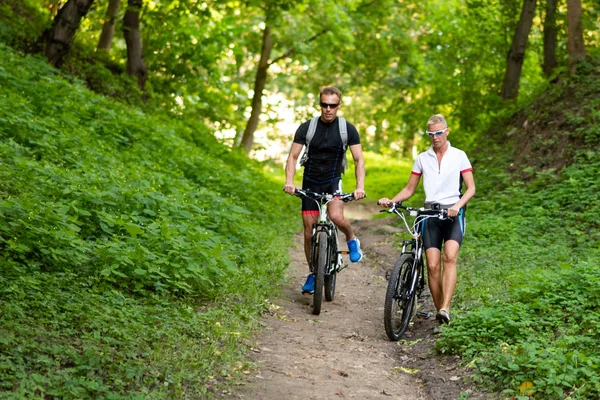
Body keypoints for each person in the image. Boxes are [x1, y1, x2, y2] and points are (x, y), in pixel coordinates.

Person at [378, 114, 475, 324]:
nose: (435, 137)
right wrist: (392, 201)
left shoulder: (459, 156)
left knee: (449, 257)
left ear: (447, 131)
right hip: (430, 214)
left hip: (452, 214)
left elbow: (471, 188)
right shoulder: (423, 158)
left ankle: (446, 307)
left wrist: (457, 206)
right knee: (432, 266)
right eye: (431, 134)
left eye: (439, 133)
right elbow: (409, 189)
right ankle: (441, 314)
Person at [283, 86, 366, 294]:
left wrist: (359, 187)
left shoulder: (347, 129)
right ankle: (313, 272)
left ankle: (351, 238)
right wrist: (290, 181)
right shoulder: (307, 128)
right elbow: (293, 156)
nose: (328, 109)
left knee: (336, 217)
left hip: (332, 181)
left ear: (339, 105)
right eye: (324, 105)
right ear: (319, 104)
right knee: (309, 232)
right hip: (310, 183)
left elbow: (358, 160)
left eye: (333, 105)